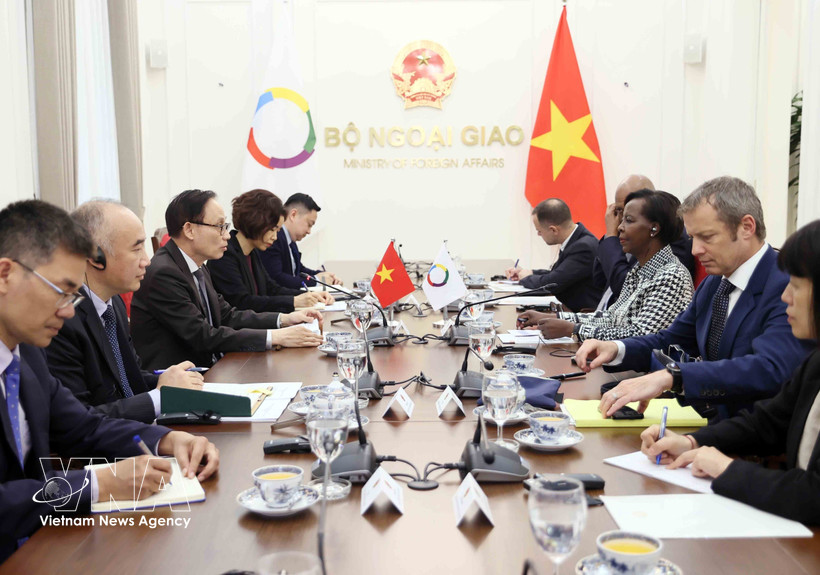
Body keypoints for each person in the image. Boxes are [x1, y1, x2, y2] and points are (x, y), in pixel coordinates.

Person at [0, 200, 219, 563]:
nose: (67, 311)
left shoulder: (27, 354)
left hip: (42, 546)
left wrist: (166, 439)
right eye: (60, 291)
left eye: (73, 295)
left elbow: (84, 426)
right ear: (5, 274)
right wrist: (96, 484)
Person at [576, 176, 812, 422]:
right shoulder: (715, 282)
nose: (695, 250)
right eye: (693, 238)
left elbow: (769, 368)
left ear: (746, 227)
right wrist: (617, 348)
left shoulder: (787, 285)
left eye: (706, 237)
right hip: (713, 427)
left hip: (758, 435)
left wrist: (676, 376)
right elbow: (671, 339)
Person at [640, 220, 820, 524]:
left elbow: (814, 493)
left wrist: (726, 469)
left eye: (797, 286)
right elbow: (767, 424)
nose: (786, 297)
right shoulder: (815, 362)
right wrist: (692, 442)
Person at [45, 201, 204, 423]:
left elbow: (129, 379)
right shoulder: (61, 319)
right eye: (136, 249)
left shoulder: (114, 304)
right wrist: (160, 397)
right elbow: (77, 419)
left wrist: (171, 380)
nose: (146, 261)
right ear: (94, 256)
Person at [130, 190, 323, 370]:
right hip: (181, 381)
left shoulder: (197, 266)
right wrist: (276, 337)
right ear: (189, 230)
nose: (226, 236)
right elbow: (204, 335)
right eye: (219, 227)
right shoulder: (164, 273)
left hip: (211, 368)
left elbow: (228, 315)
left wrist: (284, 319)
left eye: (226, 227)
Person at [518, 190, 693, 341]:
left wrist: (574, 330)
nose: (619, 228)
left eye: (628, 220)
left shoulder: (671, 276)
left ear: (654, 229)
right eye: (621, 220)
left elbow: (641, 336)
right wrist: (556, 317)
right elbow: (611, 318)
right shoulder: (639, 270)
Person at [208, 190, 334, 314]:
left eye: (277, 231)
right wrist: (293, 301)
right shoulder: (225, 255)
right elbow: (243, 303)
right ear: (256, 222)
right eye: (273, 230)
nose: (275, 237)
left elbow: (272, 288)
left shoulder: (253, 252)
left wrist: (310, 295)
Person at [593, 174, 695, 309]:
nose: (620, 223)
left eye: (629, 217)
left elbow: (626, 292)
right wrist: (610, 237)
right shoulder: (625, 234)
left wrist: (611, 237)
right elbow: (599, 280)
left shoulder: (672, 239)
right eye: (619, 211)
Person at [505, 198, 602, 312]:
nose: (538, 234)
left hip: (582, 315)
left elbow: (552, 284)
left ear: (553, 230)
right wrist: (531, 272)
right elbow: (559, 273)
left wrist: (525, 278)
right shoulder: (576, 240)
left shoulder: (583, 247)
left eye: (539, 231)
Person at [258, 193, 342, 289]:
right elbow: (277, 278)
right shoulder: (274, 239)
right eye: (309, 224)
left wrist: (324, 276)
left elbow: (299, 270)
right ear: (293, 215)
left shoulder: (290, 241)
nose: (309, 231)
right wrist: (317, 281)